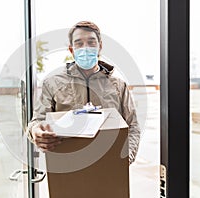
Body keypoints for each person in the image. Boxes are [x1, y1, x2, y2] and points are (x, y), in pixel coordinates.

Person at [27, 21, 140, 164]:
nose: (85, 48)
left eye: (91, 43)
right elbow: (37, 121)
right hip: (66, 166)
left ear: (100, 46)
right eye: (79, 43)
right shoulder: (52, 83)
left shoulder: (118, 86)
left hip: (110, 166)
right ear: (71, 49)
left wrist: (126, 158)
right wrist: (36, 131)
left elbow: (133, 126)